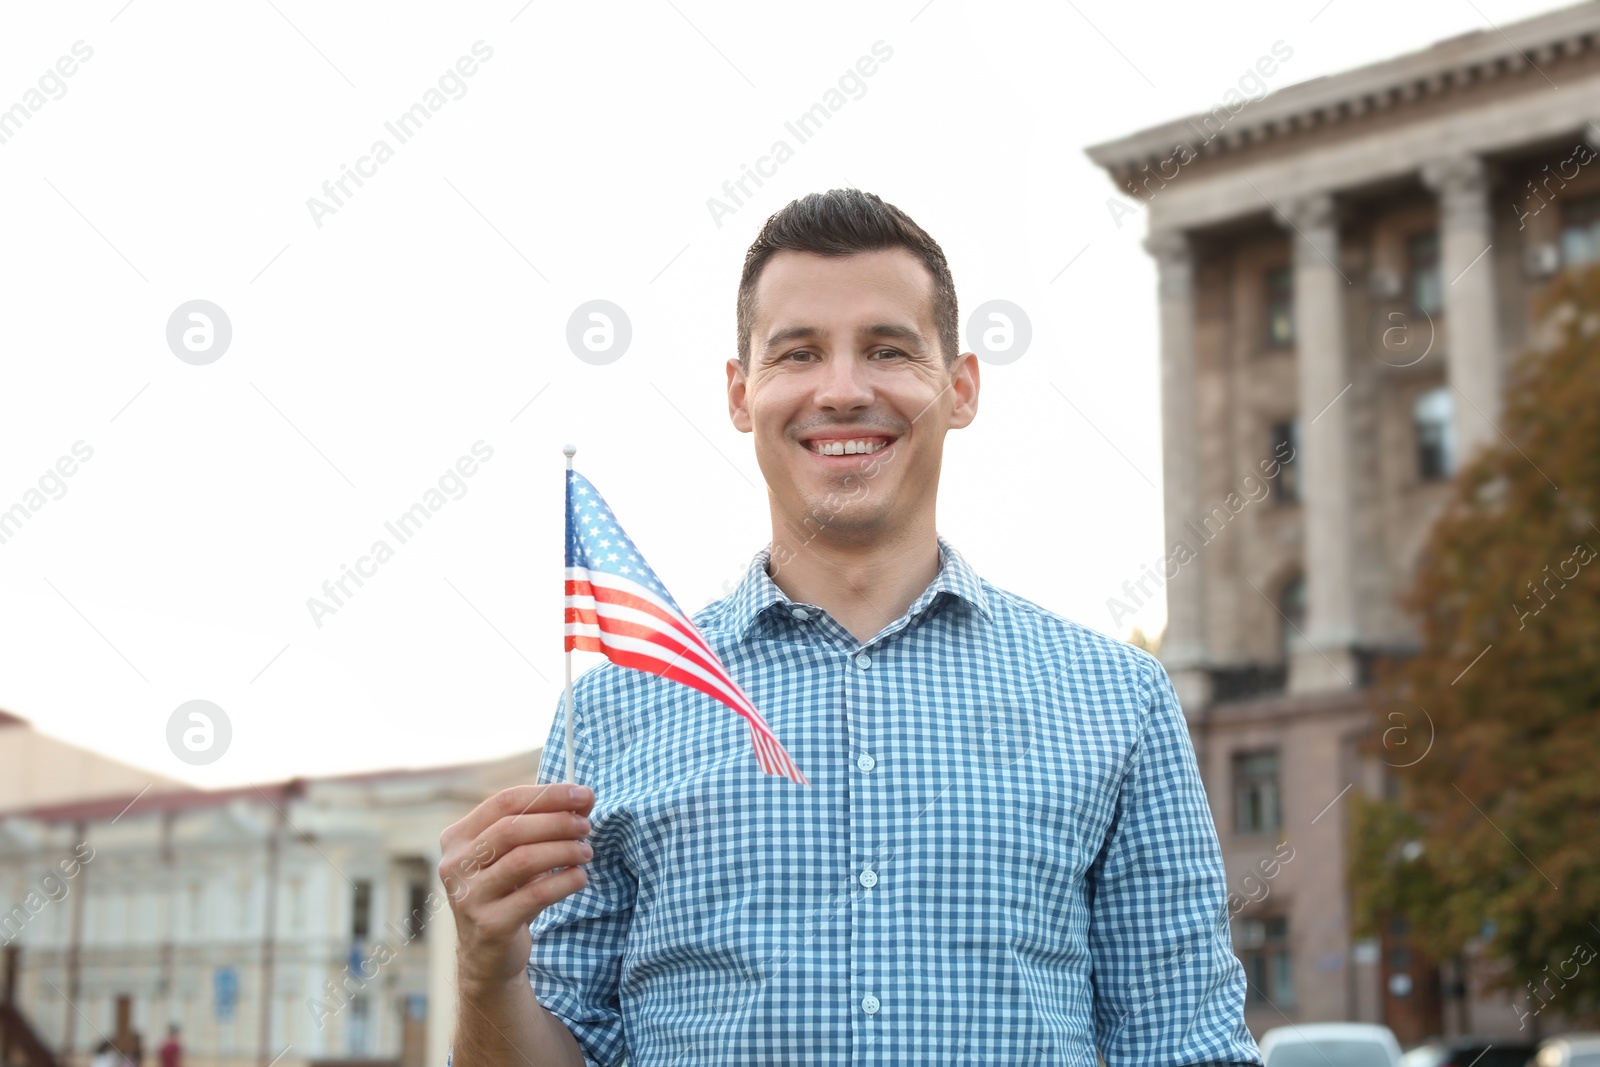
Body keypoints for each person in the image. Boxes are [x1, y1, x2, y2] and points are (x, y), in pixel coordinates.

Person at [439, 189, 1263, 1065]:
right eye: (798, 353)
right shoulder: (610, 711)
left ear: (960, 388)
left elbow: (1187, 1044)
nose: (841, 390)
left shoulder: (1117, 700)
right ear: (740, 392)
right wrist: (487, 973)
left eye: (887, 349)